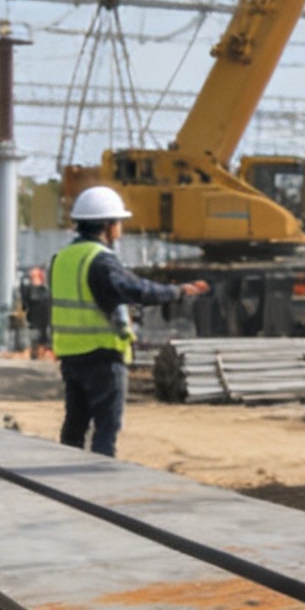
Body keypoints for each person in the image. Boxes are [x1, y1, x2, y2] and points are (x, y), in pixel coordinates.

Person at [50, 186, 208, 457]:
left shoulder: (61, 258)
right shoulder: (99, 261)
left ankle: (67, 475)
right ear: (107, 225)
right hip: (102, 356)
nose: (121, 229)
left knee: (74, 425)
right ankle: (102, 473)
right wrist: (177, 292)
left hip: (70, 356)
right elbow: (137, 290)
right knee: (106, 428)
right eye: (119, 222)